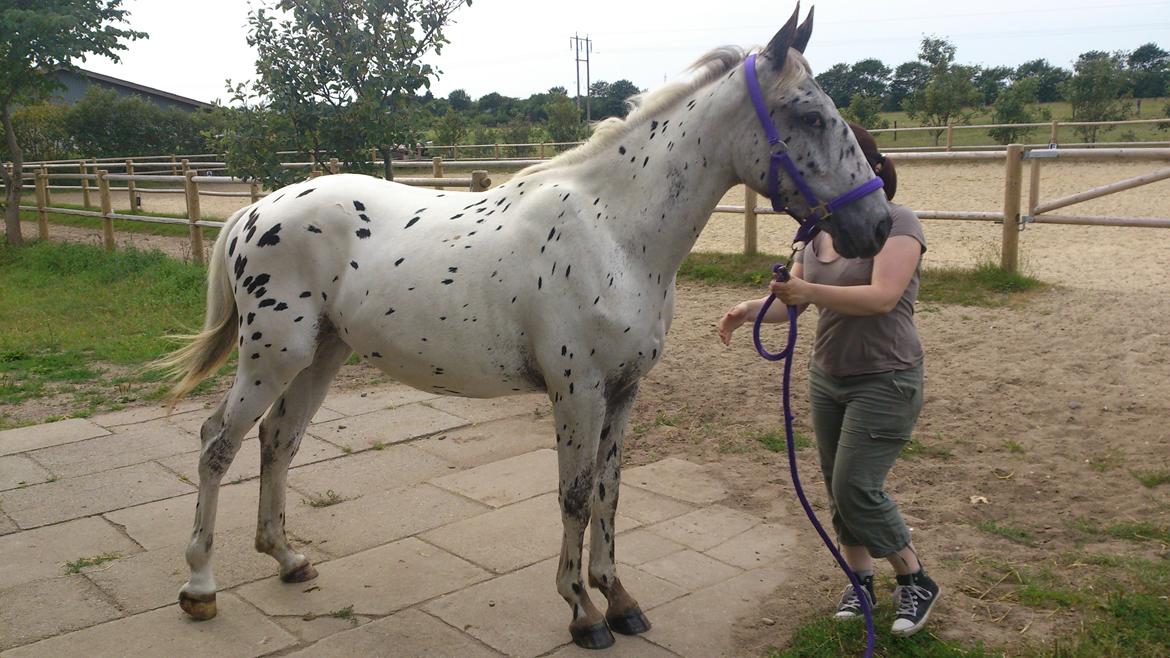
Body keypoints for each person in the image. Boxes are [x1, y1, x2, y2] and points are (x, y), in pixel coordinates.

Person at [716, 124, 939, 638]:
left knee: (856, 487)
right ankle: (857, 579)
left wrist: (805, 289)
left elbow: (883, 296)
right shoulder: (816, 233)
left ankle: (915, 577)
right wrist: (751, 309)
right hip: (829, 376)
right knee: (838, 489)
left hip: (886, 377)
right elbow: (796, 299)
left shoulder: (897, 222)